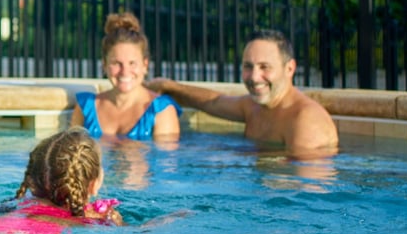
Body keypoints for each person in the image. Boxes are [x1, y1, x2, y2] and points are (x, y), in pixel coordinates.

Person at [144, 29, 339, 155]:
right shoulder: (253, 106)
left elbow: (306, 195)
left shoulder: (306, 121)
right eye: (248, 66)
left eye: (265, 67)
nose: (254, 77)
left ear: (289, 68)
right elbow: (212, 102)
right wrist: (169, 86)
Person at [70, 12, 181, 140]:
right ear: (104, 65)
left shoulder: (162, 110)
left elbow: (168, 159)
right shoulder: (85, 107)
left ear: (145, 65)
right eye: (116, 63)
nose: (125, 71)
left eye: (132, 63)